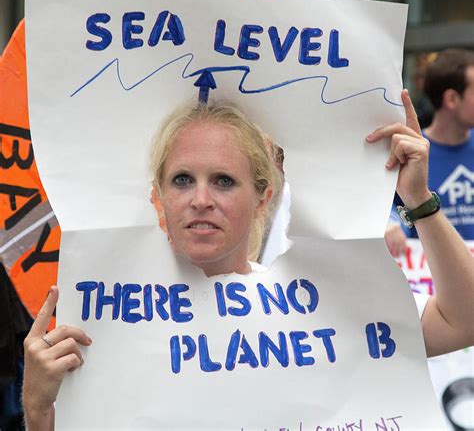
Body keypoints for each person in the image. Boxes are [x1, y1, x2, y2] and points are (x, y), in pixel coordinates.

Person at [22, 92, 474, 431]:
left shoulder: (323, 308)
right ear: (157, 195)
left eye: (223, 181)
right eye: (182, 179)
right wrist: (38, 408)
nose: (201, 200)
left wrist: (417, 200)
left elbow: (462, 321)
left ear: (263, 197)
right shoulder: (102, 326)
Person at [385, 49, 474, 256]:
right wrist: (391, 224)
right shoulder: (410, 153)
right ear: (452, 99)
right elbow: (388, 209)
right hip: (431, 281)